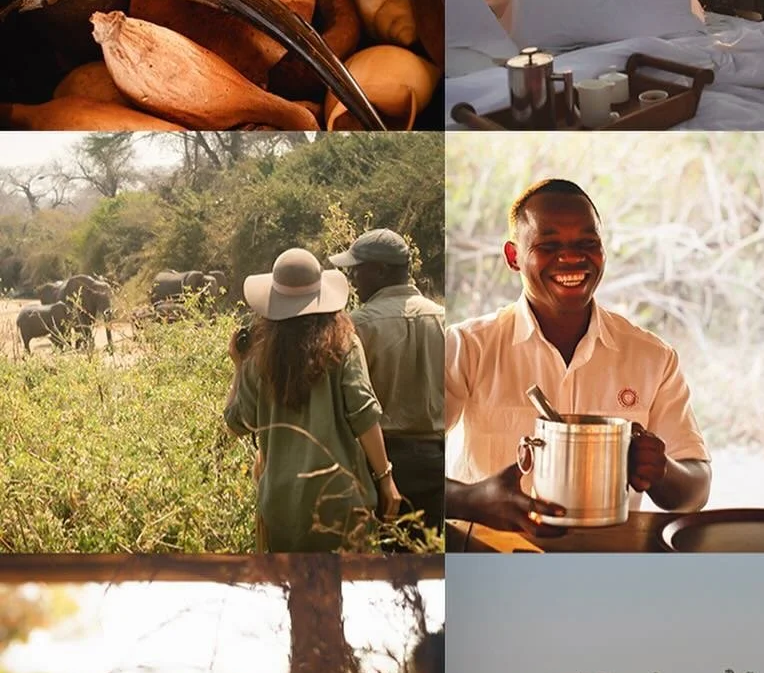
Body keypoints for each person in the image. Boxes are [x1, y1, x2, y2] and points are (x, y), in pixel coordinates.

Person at [445, 179, 712, 537]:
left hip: (608, 564)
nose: (571, 257)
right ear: (513, 257)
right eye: (549, 244)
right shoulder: (467, 347)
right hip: (490, 558)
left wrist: (661, 470)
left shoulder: (653, 358)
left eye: (587, 243)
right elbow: (409, 463)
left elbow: (698, 487)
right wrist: (470, 499)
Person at [224, 247, 402, 551]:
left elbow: (237, 423)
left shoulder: (258, 356)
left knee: (298, 595)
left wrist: (239, 366)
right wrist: (386, 478)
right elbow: (363, 415)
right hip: (342, 500)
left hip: (282, 506)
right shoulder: (344, 344)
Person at [338, 228, 446, 534]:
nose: (353, 282)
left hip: (380, 462)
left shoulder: (356, 325)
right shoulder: (443, 319)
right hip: (438, 462)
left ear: (380, 271)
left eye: (356, 272)